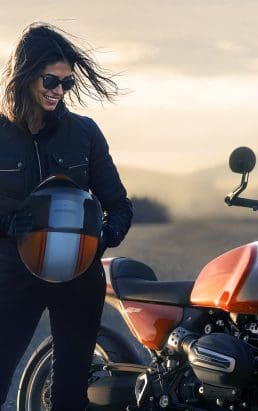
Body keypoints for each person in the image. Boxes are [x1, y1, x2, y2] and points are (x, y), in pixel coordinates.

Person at [0, 22, 133, 410]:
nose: (59, 91)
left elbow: (120, 205)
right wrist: (7, 226)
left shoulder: (85, 134)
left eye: (67, 83)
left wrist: (105, 236)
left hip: (78, 277)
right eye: (50, 80)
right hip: (12, 275)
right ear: (24, 76)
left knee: (70, 393)